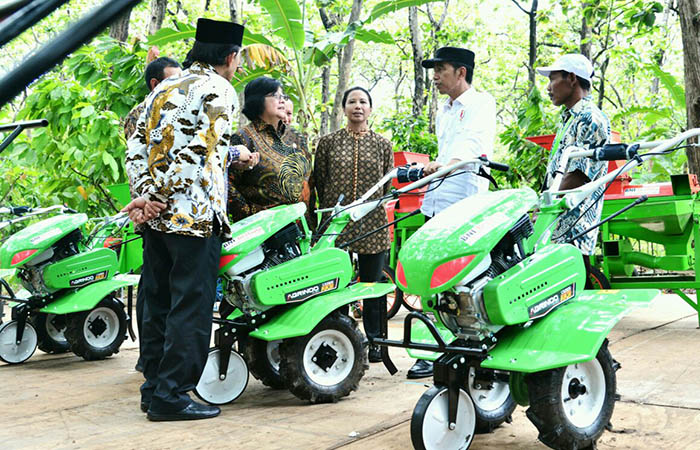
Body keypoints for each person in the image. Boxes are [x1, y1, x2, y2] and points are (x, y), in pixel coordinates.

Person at [123, 18, 255, 422]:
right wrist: (160, 195)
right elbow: (200, 149)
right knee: (191, 306)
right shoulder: (219, 89)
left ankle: (153, 390)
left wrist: (145, 197)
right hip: (193, 217)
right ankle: (173, 395)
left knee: (158, 303)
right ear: (229, 57)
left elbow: (133, 143)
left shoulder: (162, 88)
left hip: (156, 220)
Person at [407, 46, 497, 379]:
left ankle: (461, 345)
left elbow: (471, 146)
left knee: (456, 279)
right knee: (431, 277)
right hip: (437, 200)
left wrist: (447, 166)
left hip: (464, 204)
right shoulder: (444, 110)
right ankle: (432, 348)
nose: (434, 77)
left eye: (440, 69)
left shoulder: (481, 104)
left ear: (461, 72)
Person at [314, 86, 394, 364]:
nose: (357, 106)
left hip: (372, 222)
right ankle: (342, 335)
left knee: (372, 284)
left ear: (370, 108)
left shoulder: (383, 144)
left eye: (363, 102)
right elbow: (320, 181)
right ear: (343, 108)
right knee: (335, 284)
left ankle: (376, 342)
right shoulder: (328, 143)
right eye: (352, 102)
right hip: (336, 222)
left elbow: (387, 185)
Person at [537, 54, 610, 285]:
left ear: (571, 79)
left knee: (575, 285)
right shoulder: (570, 117)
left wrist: (544, 204)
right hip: (559, 217)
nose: (548, 88)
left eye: (553, 79)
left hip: (575, 222)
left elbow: (579, 174)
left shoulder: (590, 118)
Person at [227, 77, 314, 228]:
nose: (282, 100)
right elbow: (228, 185)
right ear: (257, 100)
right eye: (275, 95)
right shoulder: (243, 137)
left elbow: (309, 182)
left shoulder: (297, 137)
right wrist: (250, 214)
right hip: (263, 230)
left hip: (301, 228)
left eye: (283, 96)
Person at [123, 56, 182, 140]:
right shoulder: (137, 115)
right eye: (174, 83)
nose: (181, 87)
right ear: (155, 84)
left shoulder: (187, 106)